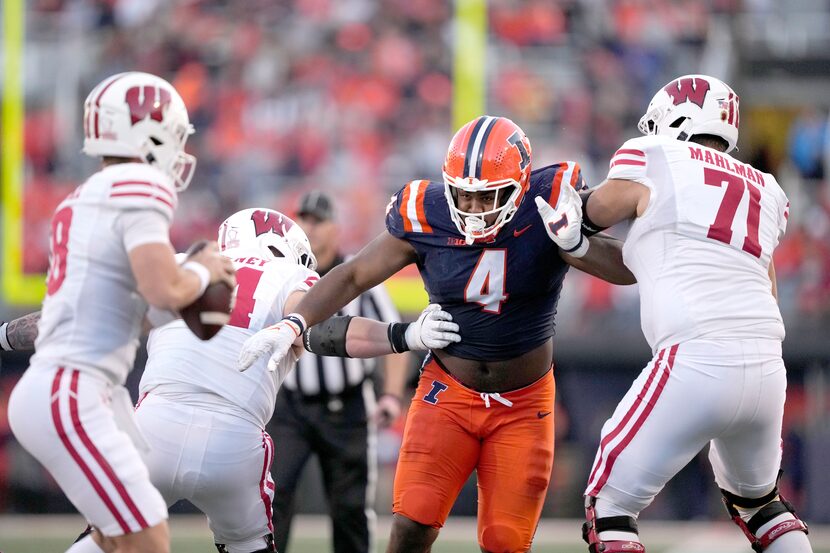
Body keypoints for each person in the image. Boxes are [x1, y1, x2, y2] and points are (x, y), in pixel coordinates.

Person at [238, 115, 636, 553]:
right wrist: (296, 321)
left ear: (520, 187)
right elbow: (353, 276)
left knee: (505, 543)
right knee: (411, 525)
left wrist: (577, 242)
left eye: (487, 198)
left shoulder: (548, 203)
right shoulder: (425, 213)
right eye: (462, 194)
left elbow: (627, 269)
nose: (472, 208)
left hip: (524, 402)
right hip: (447, 391)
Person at [1, 209, 460, 553]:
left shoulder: (185, 264)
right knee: (249, 545)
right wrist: (404, 334)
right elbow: (322, 331)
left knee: (105, 537)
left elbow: (83, 321)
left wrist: (4, 336)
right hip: (235, 442)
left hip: (153, 429)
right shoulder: (287, 276)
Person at [560, 75, 813, 553]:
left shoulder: (655, 156)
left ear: (675, 118)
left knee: (609, 506)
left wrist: (568, 222)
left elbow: (587, 214)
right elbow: (768, 288)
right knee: (763, 507)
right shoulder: (767, 189)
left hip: (694, 355)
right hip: (766, 365)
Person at [5, 71, 236, 553]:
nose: (177, 147)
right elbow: (164, 286)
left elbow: (139, 305)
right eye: (173, 134)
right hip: (72, 389)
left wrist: (188, 298)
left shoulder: (85, 196)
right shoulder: (139, 184)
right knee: (147, 540)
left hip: (77, 389)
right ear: (147, 132)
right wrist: (203, 269)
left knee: (114, 541)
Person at [266, 192, 409, 553]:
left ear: (336, 228)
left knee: (349, 507)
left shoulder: (358, 276)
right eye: (304, 220)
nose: (309, 228)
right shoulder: (284, 275)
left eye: (318, 221)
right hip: (290, 405)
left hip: (346, 406)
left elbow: (392, 338)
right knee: (272, 498)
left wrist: (391, 396)